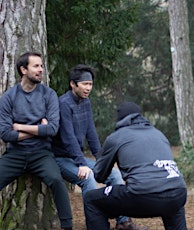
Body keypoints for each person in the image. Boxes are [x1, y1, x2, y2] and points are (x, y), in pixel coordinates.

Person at [51, 65, 144, 230]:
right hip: (60, 159)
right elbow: (68, 137)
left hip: (77, 158)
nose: (88, 88)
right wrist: (82, 163)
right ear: (73, 84)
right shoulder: (63, 104)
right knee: (88, 179)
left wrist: (102, 161)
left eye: (91, 84)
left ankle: (123, 222)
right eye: (84, 84)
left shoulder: (85, 102)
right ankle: (95, 225)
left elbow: (91, 133)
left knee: (114, 175)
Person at [83, 102, 187, 230]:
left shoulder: (117, 137)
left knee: (91, 199)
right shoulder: (159, 134)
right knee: (173, 198)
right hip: (178, 193)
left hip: (142, 195)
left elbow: (99, 175)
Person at [0, 52, 73, 230]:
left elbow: (52, 129)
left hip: (41, 154)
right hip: (15, 154)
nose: (41, 70)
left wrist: (20, 127)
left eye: (41, 66)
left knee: (56, 180)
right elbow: (6, 134)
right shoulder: (9, 97)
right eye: (36, 66)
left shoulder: (49, 95)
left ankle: (67, 226)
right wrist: (38, 130)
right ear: (23, 70)